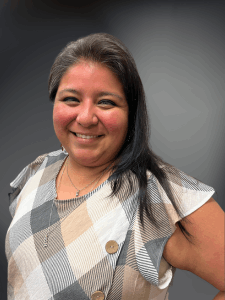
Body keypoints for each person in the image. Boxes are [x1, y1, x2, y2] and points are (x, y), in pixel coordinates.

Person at [6, 33, 224, 300]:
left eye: (106, 102)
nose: (85, 118)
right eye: (71, 99)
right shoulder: (38, 172)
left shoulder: (159, 194)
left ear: (131, 113)